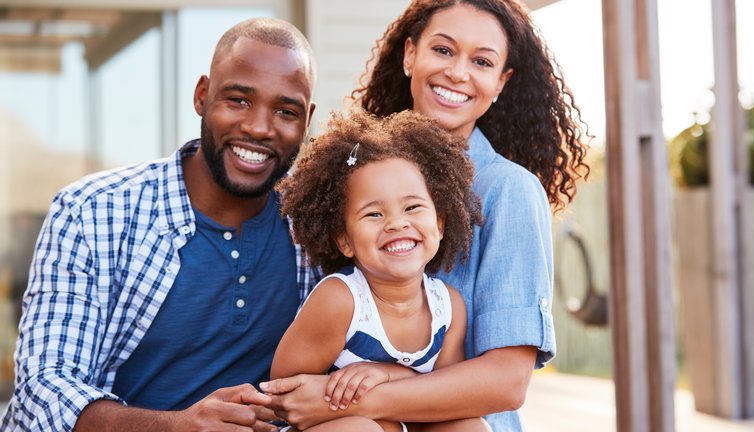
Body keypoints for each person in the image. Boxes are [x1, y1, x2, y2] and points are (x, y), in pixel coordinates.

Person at [260, 1, 590, 431]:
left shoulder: (508, 190)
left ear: (501, 81)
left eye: (482, 61)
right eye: (443, 50)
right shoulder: (354, 173)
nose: (458, 72)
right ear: (410, 54)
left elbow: (507, 382)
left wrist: (359, 395)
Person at [1, 17, 318, 432]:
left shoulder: (317, 228)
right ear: (202, 96)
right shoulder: (92, 213)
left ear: (307, 120)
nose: (259, 127)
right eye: (239, 100)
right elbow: (42, 390)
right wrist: (177, 426)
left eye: (285, 111)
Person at [271, 110, 487, 432]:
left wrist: (389, 375)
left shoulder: (447, 308)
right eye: (374, 214)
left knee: (469, 426)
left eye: (412, 207)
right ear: (345, 241)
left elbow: (443, 398)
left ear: (440, 224)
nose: (397, 223)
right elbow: (284, 395)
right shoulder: (341, 300)